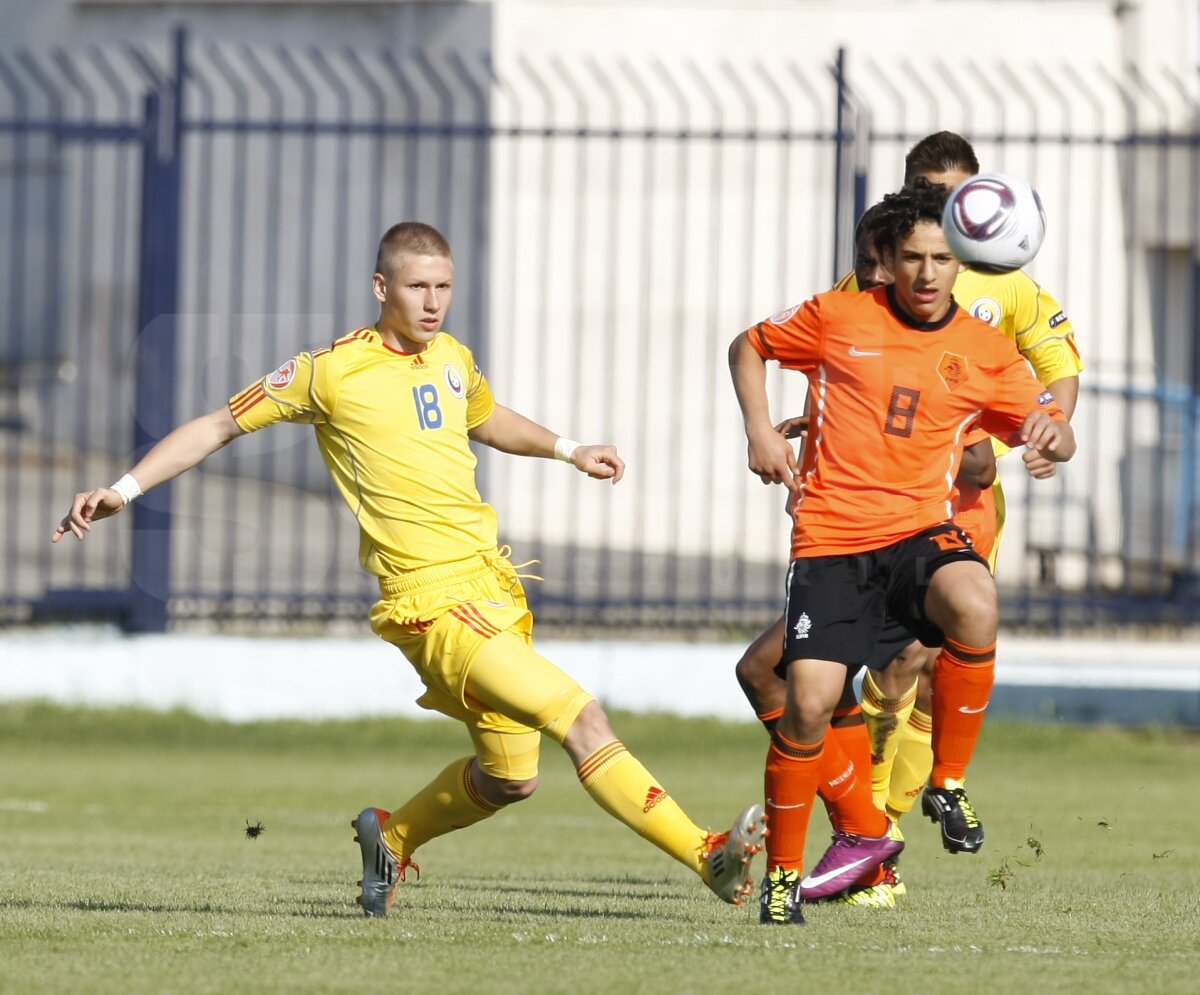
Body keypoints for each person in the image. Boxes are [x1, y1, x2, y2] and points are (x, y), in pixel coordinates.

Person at [52, 220, 766, 918]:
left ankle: (390, 839)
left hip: (491, 589)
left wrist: (568, 448)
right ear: (380, 287)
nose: (433, 302)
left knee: (510, 778)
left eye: (444, 286)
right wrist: (123, 489)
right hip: (432, 606)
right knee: (580, 717)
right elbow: (216, 425)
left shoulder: (451, 356)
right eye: (417, 286)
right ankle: (707, 854)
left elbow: (485, 417)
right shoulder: (329, 371)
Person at [729, 182, 1076, 925]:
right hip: (832, 541)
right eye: (912, 257)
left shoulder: (985, 348)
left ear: (962, 263)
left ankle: (945, 782)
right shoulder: (838, 315)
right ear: (890, 258)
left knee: (974, 601)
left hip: (920, 532)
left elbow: (1048, 419)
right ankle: (789, 875)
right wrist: (759, 429)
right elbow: (749, 345)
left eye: (941, 259)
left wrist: (1053, 437)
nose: (925, 272)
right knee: (807, 703)